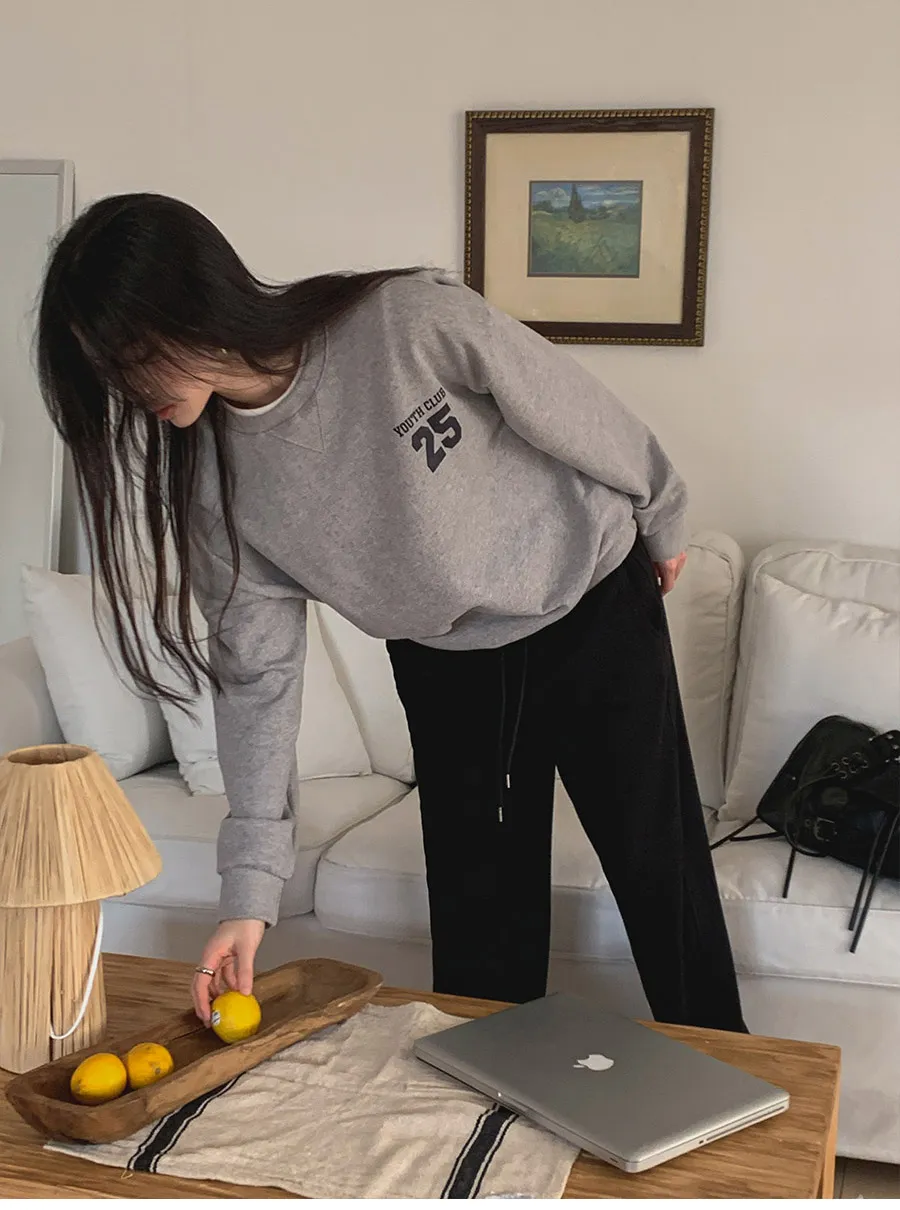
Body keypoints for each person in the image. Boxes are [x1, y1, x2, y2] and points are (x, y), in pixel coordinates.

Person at [37, 192, 747, 1034]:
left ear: (192, 301)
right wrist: (248, 898)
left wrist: (662, 511)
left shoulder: (401, 320)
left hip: (590, 605)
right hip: (446, 664)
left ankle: (738, 1080)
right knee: (478, 925)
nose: (128, 389)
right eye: (107, 371)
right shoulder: (215, 490)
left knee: (658, 870)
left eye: (132, 356)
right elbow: (256, 681)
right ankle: (493, 1107)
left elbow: (567, 405)